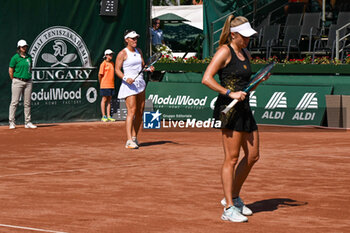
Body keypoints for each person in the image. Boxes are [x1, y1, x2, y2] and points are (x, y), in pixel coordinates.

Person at [202, 15, 269, 222]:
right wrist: (229, 93)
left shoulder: (245, 52)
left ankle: (234, 197)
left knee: (252, 156)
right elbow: (206, 78)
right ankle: (228, 208)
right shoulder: (224, 51)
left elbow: (247, 87)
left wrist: (259, 80)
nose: (248, 40)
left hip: (244, 108)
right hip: (229, 110)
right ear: (233, 35)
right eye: (245, 36)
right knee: (231, 159)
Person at [115, 30, 154, 149]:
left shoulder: (139, 51)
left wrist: (148, 69)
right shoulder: (122, 53)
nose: (135, 40)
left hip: (140, 83)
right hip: (129, 85)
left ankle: (134, 137)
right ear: (126, 40)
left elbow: (142, 67)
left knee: (140, 111)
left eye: (136, 38)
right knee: (132, 110)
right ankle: (128, 141)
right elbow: (117, 69)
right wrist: (126, 78)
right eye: (132, 38)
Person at [8, 39, 37, 130]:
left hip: (28, 81)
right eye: (22, 46)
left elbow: (30, 68)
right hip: (17, 81)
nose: (24, 48)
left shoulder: (29, 57)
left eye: (25, 46)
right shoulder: (15, 58)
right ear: (19, 48)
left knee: (27, 103)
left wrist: (28, 77)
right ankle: (12, 122)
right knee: (14, 102)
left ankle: (27, 122)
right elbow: (10, 69)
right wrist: (14, 79)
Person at [99, 49, 116, 122]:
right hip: (104, 85)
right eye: (109, 54)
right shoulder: (103, 64)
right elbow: (100, 75)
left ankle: (109, 116)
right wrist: (102, 83)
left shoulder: (112, 63)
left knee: (109, 100)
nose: (111, 56)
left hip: (111, 85)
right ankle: (103, 116)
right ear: (106, 55)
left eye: (111, 54)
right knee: (104, 100)